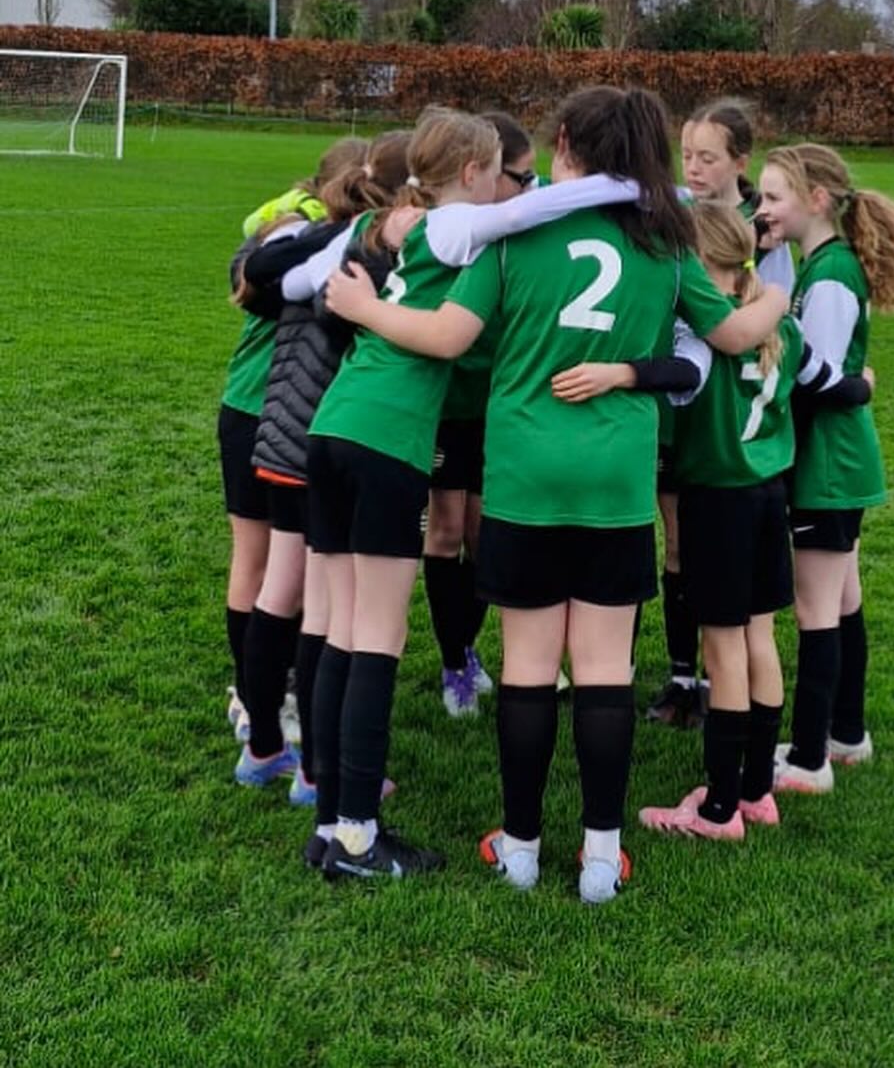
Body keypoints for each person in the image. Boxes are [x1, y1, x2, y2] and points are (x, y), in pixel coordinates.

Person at [324, 86, 791, 903]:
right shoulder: (668, 242)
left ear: (567, 143)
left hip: (523, 477)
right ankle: (602, 860)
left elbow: (453, 336)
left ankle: (523, 848)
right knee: (605, 668)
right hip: (613, 478)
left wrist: (367, 304)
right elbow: (731, 336)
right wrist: (781, 288)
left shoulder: (516, 235)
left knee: (532, 667)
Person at [552, 200, 870, 840]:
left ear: (697, 266)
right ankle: (757, 792)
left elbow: (682, 375)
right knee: (759, 640)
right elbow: (829, 384)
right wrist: (864, 386)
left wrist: (623, 374)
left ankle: (720, 809)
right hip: (768, 498)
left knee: (723, 650)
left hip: (717, 501)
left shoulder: (701, 330)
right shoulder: (783, 327)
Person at [229, 133, 412, 803]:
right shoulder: (365, 252)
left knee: (279, 590)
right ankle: (314, 771)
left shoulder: (306, 238)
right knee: (322, 611)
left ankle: (263, 749)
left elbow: (256, 272)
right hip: (316, 438)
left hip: (276, 433)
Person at [755, 144, 894, 794]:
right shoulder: (827, 263)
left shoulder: (827, 275)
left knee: (815, 606)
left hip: (827, 459)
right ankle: (846, 733)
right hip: (842, 455)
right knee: (843, 599)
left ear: (815, 201)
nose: (762, 208)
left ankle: (810, 760)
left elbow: (816, 378)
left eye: (772, 197)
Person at [219, 137, 366, 742]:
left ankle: (258, 693)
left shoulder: (281, 226)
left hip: (247, 408)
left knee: (262, 564)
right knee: (284, 568)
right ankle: (263, 694)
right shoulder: (324, 241)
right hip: (282, 413)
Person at [648, 99, 762, 728]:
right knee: (674, 546)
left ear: (739, 164)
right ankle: (681, 675)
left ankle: (728, 670)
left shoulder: (753, 230)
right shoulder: (674, 218)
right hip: (672, 414)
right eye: (686, 155)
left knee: (708, 548)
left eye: (707, 158)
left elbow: (768, 317)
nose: (692, 168)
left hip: (724, 425)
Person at [426, 112, 537, 718]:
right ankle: (455, 664)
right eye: (521, 176)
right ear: (484, 175)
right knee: (445, 532)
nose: (528, 189)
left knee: (483, 538)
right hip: (449, 405)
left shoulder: (515, 234)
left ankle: (463, 649)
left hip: (500, 406)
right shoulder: (449, 232)